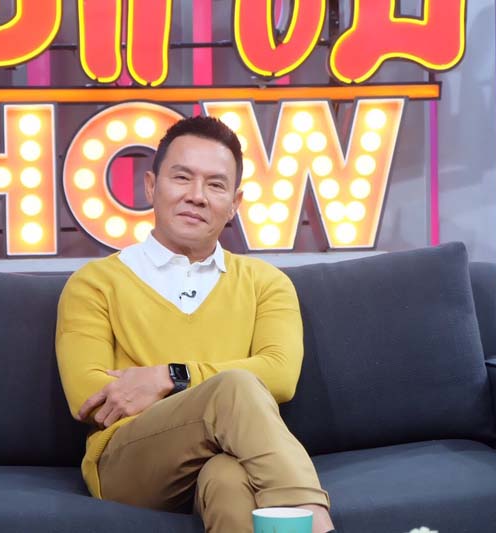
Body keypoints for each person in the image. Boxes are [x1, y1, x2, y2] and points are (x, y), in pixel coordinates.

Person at [56, 116, 335, 533]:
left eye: (216, 185)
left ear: (235, 203)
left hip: (231, 454)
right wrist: (202, 393)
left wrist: (168, 378)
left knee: (229, 480)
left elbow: (279, 374)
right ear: (151, 186)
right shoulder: (95, 282)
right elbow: (89, 394)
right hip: (129, 464)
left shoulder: (266, 283)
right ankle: (315, 521)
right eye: (182, 177)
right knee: (235, 385)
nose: (197, 196)